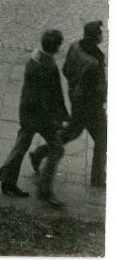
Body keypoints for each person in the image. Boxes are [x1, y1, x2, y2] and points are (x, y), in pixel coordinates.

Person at [0, 30, 69, 207]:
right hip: (41, 117)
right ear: (56, 47)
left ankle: (7, 180)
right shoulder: (48, 67)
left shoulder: (34, 60)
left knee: (21, 146)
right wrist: (59, 117)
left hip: (28, 114)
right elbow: (54, 95)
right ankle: (44, 190)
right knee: (57, 149)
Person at [55, 21, 107, 188]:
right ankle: (98, 179)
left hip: (76, 100)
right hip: (90, 108)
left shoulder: (75, 47)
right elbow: (98, 91)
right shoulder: (95, 62)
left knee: (72, 131)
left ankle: (40, 153)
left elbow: (65, 69)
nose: (102, 35)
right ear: (94, 37)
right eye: (100, 33)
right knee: (103, 139)